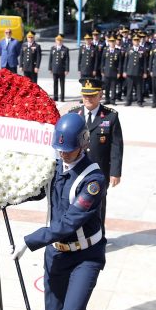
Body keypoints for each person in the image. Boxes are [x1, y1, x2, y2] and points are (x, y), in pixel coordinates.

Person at [10, 112, 107, 310]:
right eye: (60, 150)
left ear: (84, 143)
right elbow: (34, 190)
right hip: (57, 254)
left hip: (85, 255)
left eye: (70, 150)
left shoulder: (93, 179)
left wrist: (30, 241)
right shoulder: (53, 166)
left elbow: (68, 223)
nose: (64, 155)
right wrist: (4, 194)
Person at [67, 78, 123, 231]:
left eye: (92, 95)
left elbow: (116, 146)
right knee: (75, 204)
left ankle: (98, 235)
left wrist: (115, 172)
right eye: (85, 95)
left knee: (98, 205)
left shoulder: (110, 116)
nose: (88, 99)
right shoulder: (74, 114)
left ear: (100, 95)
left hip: (98, 171)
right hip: (76, 170)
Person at [122, 34, 147, 107]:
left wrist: (145, 72)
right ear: (132, 41)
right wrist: (124, 71)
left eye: (137, 40)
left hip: (139, 72)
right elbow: (126, 61)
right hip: (130, 72)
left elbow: (145, 62)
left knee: (139, 88)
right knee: (129, 88)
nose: (136, 42)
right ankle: (128, 101)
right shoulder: (129, 49)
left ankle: (139, 101)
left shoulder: (143, 49)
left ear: (139, 41)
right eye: (134, 40)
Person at [100, 36, 123, 105]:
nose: (112, 43)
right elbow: (102, 62)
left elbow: (120, 63)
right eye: (110, 42)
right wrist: (102, 71)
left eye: (113, 42)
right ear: (109, 43)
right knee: (106, 87)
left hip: (114, 72)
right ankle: (107, 99)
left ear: (115, 42)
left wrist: (119, 72)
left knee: (113, 87)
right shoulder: (105, 50)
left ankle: (113, 100)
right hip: (106, 71)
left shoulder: (118, 51)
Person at [48, 34, 69, 102]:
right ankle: (55, 97)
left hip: (62, 69)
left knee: (62, 84)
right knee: (55, 83)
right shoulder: (53, 48)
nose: (59, 42)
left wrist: (67, 69)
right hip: (54, 69)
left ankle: (62, 97)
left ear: (62, 41)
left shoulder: (65, 49)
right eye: (57, 40)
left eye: (60, 41)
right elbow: (50, 59)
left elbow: (67, 60)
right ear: (55, 41)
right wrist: (50, 68)